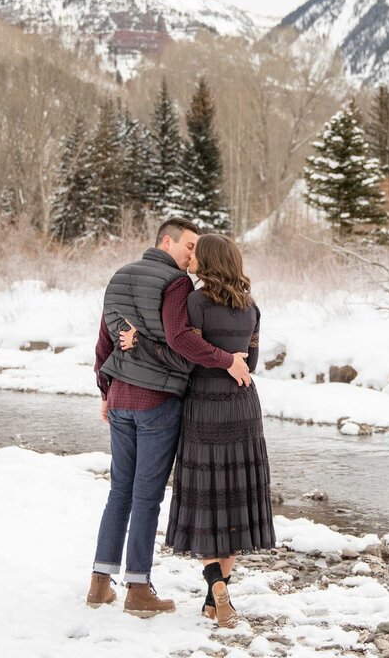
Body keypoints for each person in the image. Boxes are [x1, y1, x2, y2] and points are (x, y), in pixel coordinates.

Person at [85, 218, 252, 617]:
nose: (193, 254)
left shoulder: (120, 276)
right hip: (157, 401)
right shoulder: (176, 284)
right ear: (167, 240)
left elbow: (104, 341)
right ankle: (138, 589)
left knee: (119, 491)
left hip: (121, 397)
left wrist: (106, 390)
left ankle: (99, 584)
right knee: (145, 497)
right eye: (189, 245)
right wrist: (226, 359)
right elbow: (180, 344)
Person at [157, 233, 275, 628]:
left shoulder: (194, 302)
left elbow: (185, 354)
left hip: (204, 406)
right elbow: (251, 362)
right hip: (243, 406)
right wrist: (233, 357)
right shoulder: (250, 307)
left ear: (206, 261)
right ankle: (217, 595)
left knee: (206, 498)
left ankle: (215, 586)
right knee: (236, 498)